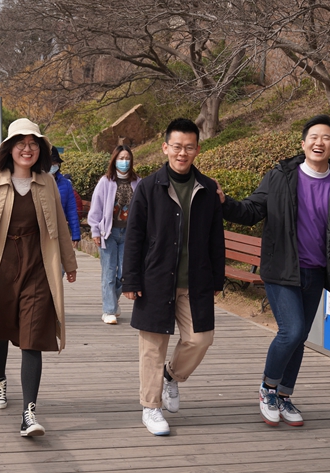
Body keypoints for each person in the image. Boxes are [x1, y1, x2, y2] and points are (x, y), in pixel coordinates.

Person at [216, 114, 330, 427]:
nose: (319, 142)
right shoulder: (281, 176)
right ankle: (268, 389)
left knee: (300, 337)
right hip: (281, 269)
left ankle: (284, 395)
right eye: (313, 137)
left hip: (316, 272)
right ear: (303, 143)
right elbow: (252, 210)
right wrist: (225, 202)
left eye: (326, 138)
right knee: (292, 331)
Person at [0, 118, 77, 438]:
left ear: (40, 150)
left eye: (33, 144)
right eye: (21, 144)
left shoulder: (47, 182)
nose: (28, 149)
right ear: (10, 148)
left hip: (37, 268)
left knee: (33, 337)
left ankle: (29, 412)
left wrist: (69, 262)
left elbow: (61, 224)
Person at [122, 118, 225, 436]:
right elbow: (134, 236)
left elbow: (215, 238)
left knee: (200, 339)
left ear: (197, 149)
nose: (183, 153)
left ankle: (171, 376)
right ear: (165, 147)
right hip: (155, 279)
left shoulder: (207, 189)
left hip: (195, 281)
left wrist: (217, 279)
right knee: (152, 347)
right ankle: (150, 407)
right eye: (177, 146)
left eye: (189, 147)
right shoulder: (148, 187)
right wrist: (130, 279)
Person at [87, 145, 141, 324]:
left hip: (130, 235)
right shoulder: (106, 181)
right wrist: (95, 230)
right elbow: (96, 207)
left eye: (127, 158)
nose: (124, 162)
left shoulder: (138, 182)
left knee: (124, 273)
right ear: (114, 160)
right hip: (108, 233)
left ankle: (112, 300)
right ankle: (109, 310)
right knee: (109, 272)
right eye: (121, 158)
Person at [50, 147, 81, 249]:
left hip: (60, 230)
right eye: (49, 163)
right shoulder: (37, 181)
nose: (52, 166)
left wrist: (75, 234)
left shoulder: (65, 184)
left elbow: (71, 210)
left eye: (54, 163)